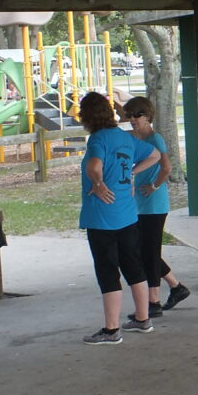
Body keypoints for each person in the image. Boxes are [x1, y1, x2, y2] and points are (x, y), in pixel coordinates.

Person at [78, 92, 160, 345]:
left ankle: (112, 330)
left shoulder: (97, 140)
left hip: (102, 216)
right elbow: (155, 154)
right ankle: (143, 318)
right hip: (127, 213)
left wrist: (99, 183)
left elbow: (94, 166)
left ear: (87, 116)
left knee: (107, 271)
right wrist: (132, 175)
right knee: (133, 266)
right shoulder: (125, 138)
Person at [123, 96, 190, 317]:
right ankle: (176, 287)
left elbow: (167, 167)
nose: (133, 119)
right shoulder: (133, 138)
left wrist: (154, 185)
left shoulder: (155, 139)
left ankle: (154, 301)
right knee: (143, 250)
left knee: (149, 252)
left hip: (154, 203)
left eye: (137, 115)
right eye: (130, 115)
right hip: (138, 203)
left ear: (148, 116)